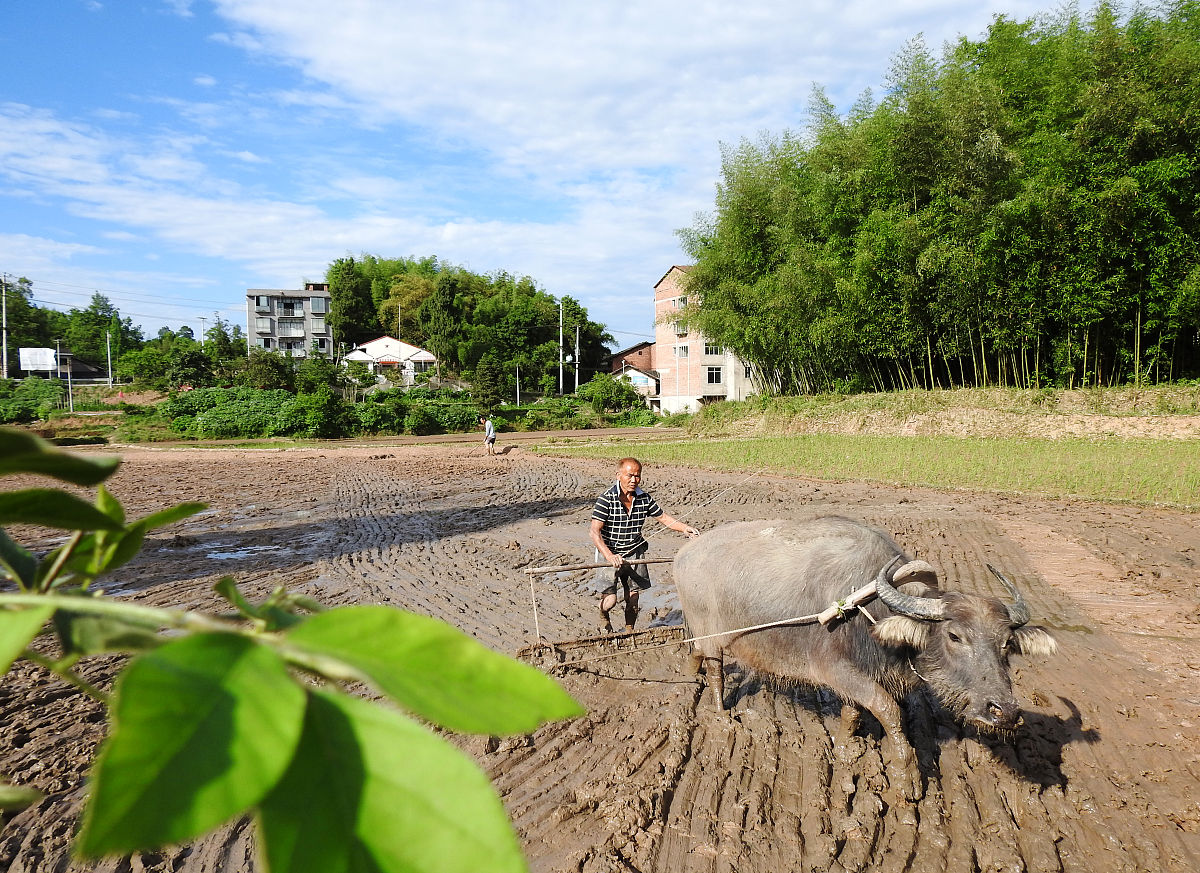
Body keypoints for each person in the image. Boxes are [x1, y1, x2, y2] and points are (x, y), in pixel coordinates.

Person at [590, 457, 699, 633]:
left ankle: (629, 631)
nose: (633, 480)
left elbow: (663, 518)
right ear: (618, 475)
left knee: (633, 599)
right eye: (629, 475)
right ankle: (603, 614)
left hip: (635, 552)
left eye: (637, 476)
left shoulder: (643, 498)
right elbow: (594, 532)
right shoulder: (606, 499)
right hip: (609, 553)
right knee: (610, 601)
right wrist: (610, 556)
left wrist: (685, 529)